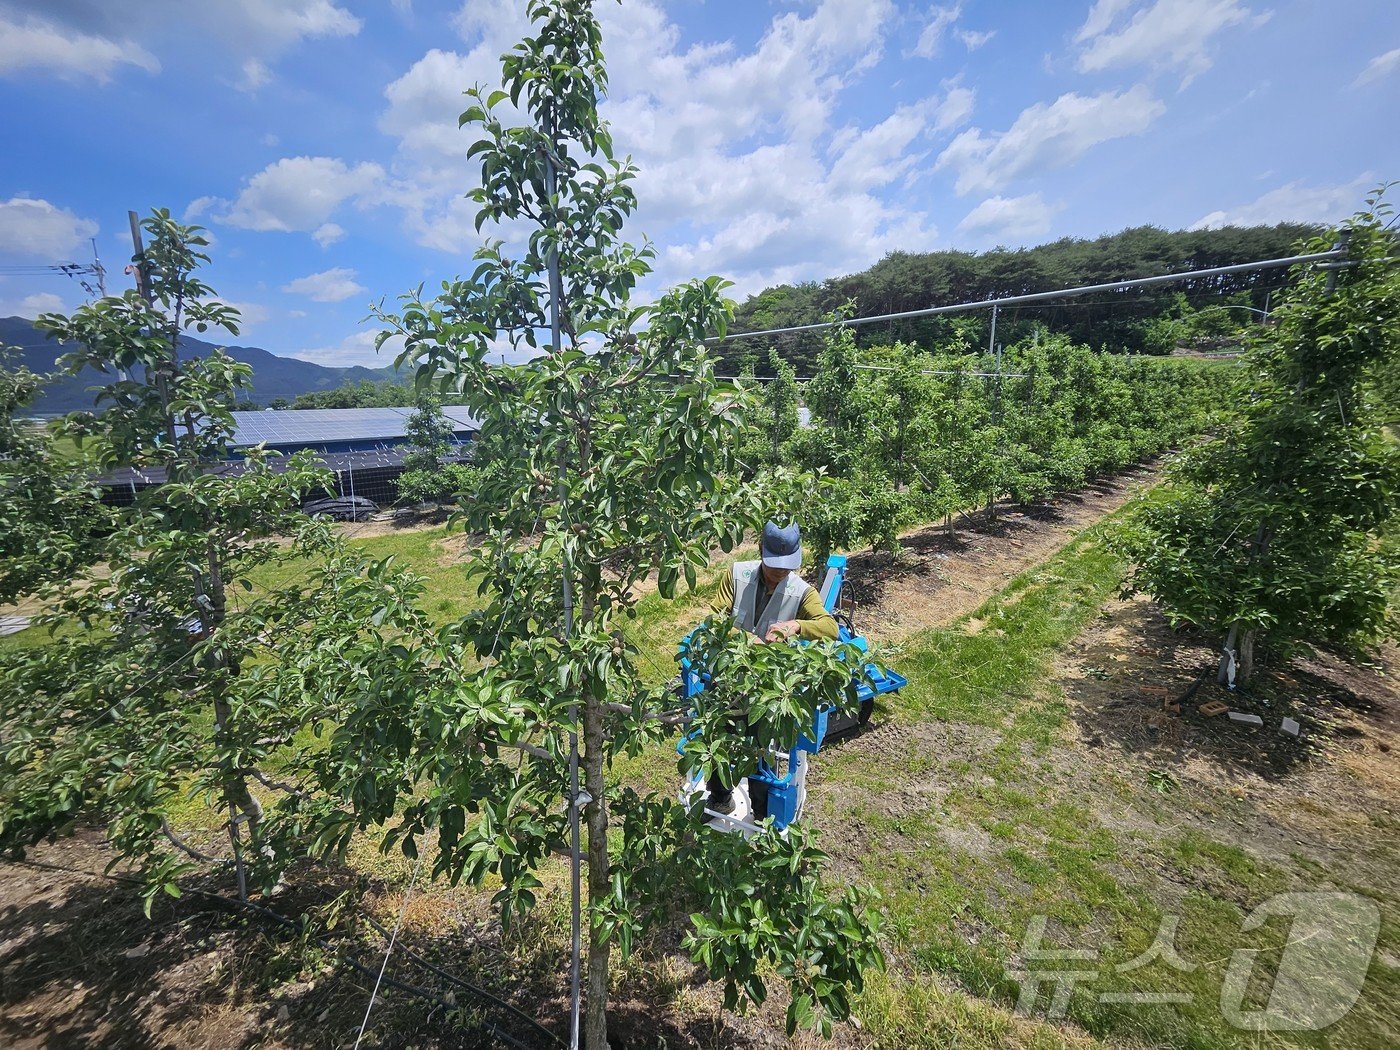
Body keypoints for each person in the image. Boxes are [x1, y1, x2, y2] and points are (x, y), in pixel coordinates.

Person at [704, 520, 836, 814]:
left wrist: (797, 626)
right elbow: (713, 620)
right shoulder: (737, 574)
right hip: (729, 680)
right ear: (761, 550)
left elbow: (830, 627)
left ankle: (762, 813)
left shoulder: (802, 591)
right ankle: (720, 798)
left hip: (768, 689)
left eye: (787, 566)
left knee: (762, 752)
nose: (780, 572)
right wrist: (744, 639)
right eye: (774, 564)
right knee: (719, 743)